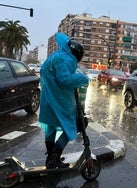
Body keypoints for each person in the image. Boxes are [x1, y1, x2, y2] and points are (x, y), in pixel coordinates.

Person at [39, 32, 89, 169]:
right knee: (72, 127)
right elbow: (65, 80)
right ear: (77, 54)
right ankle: (54, 158)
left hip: (48, 100)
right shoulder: (66, 59)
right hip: (58, 102)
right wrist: (83, 79)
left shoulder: (56, 56)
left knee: (50, 129)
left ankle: (50, 158)